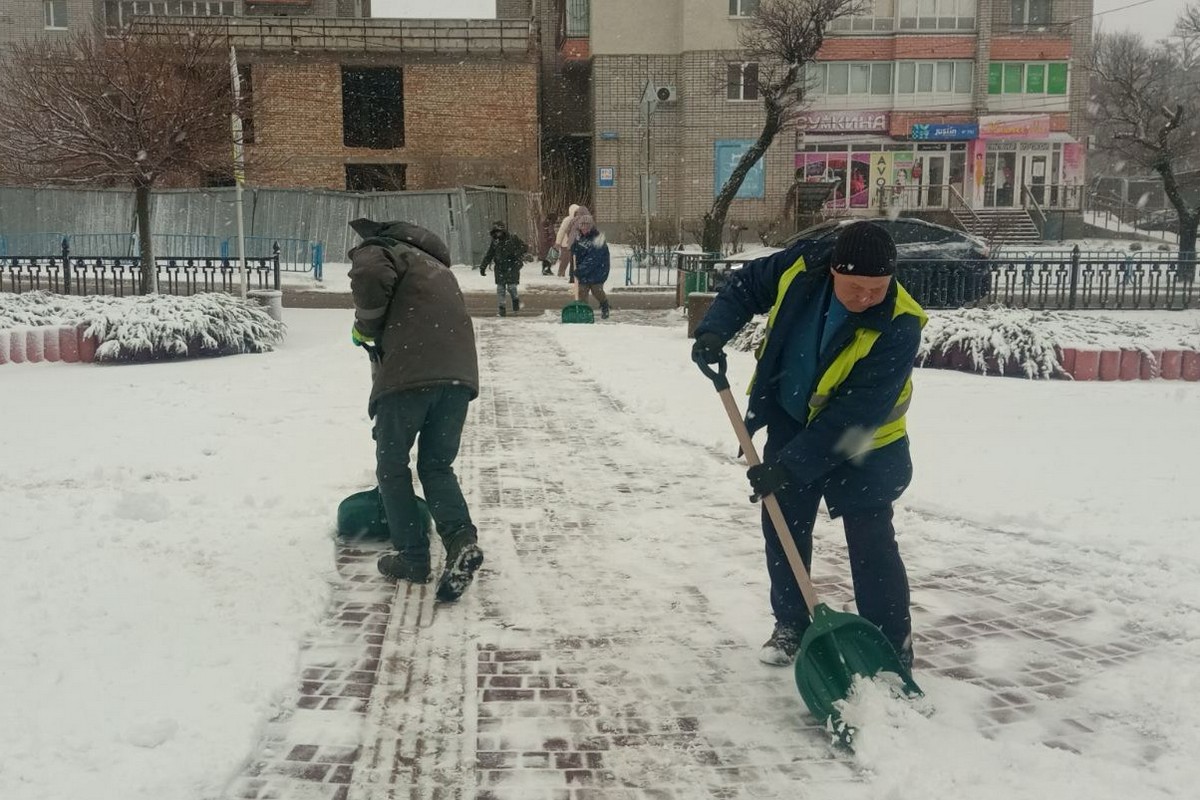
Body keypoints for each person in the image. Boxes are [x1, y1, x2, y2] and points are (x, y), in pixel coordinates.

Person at [691, 221, 926, 669]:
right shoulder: (798, 269)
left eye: (877, 289)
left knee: (871, 539)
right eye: (855, 287)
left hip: (867, 443)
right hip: (792, 419)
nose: (866, 298)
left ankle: (892, 641)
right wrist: (713, 330)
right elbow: (745, 287)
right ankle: (792, 624)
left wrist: (789, 466)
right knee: (782, 524)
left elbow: (856, 414)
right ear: (832, 270)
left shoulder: (900, 322)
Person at [347, 217, 485, 602]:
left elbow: (370, 272)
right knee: (436, 466)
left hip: (409, 374)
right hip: (458, 377)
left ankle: (413, 558)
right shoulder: (436, 266)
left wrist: (368, 326)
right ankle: (461, 542)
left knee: (392, 466)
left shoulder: (384, 248)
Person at [479, 220, 528, 317]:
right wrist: (483, 266)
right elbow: (489, 254)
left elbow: (524, 247)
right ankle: (502, 308)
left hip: (512, 266)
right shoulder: (495, 242)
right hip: (500, 268)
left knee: (512, 287)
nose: (498, 234)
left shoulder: (513, 239)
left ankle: (515, 301)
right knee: (500, 289)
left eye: (499, 231)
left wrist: (516, 254)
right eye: (496, 232)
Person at [570, 212, 611, 319]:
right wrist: (574, 248)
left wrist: (581, 270)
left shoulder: (598, 239)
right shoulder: (579, 237)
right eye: (582, 226)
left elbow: (593, 258)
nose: (583, 228)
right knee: (582, 291)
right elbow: (576, 254)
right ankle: (584, 312)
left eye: (586, 226)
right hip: (584, 270)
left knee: (596, 290)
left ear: (591, 226)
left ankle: (605, 305)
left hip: (598, 269)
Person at [555, 204, 584, 279]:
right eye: (576, 212)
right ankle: (561, 273)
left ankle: (573, 275)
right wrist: (558, 242)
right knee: (565, 259)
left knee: (574, 259)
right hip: (565, 244)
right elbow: (561, 231)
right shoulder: (567, 220)